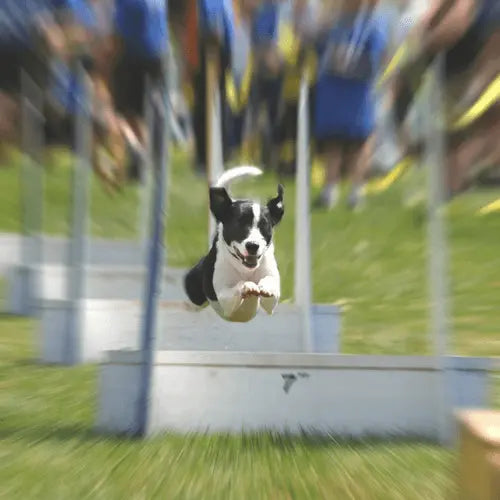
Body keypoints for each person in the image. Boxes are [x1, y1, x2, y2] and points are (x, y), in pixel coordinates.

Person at [313, 0, 388, 210]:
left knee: (360, 141)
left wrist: (354, 62)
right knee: (333, 141)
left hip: (358, 92)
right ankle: (330, 190)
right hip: (334, 90)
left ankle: (356, 191)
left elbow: (377, 57)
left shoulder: (373, 25)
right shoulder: (333, 24)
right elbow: (318, 47)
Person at [112, 0, 169, 181]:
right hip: (158, 54)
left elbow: (120, 32)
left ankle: (139, 157)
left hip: (135, 56)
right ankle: (153, 154)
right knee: (148, 111)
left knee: (125, 112)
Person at [0, 0, 63, 162]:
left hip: (32, 45)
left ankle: (25, 142)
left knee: (31, 101)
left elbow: (61, 10)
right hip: (12, 40)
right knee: (8, 102)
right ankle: (17, 142)